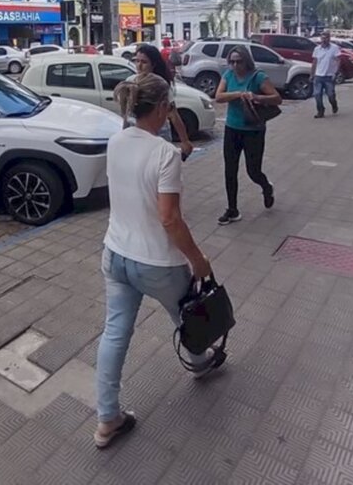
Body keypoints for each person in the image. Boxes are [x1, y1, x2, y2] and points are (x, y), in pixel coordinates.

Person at [94, 73, 222, 449]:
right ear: (165, 108)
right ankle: (200, 363)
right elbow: (169, 218)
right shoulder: (165, 154)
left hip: (115, 254)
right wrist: (198, 259)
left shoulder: (116, 141)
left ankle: (107, 420)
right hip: (157, 263)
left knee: (114, 333)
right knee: (188, 315)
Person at [214, 45, 281, 225]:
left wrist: (257, 97)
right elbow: (218, 97)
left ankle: (266, 187)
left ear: (246, 61)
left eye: (239, 61)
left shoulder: (258, 77)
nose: (235, 65)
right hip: (232, 128)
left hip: (253, 131)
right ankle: (232, 209)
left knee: (253, 171)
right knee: (230, 170)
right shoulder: (228, 76)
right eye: (232, 62)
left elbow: (277, 98)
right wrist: (237, 94)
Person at [131, 44, 193, 158]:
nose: (139, 66)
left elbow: (173, 115)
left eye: (144, 62)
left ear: (153, 64)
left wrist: (185, 141)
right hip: (136, 135)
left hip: (158, 134)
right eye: (137, 61)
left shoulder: (161, 86)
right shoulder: (131, 82)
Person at [311, 30, 342, 119]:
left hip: (329, 76)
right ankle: (320, 111)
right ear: (321, 39)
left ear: (329, 38)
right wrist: (312, 74)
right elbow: (315, 62)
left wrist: (336, 72)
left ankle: (334, 104)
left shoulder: (334, 48)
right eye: (323, 38)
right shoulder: (317, 49)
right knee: (317, 94)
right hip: (318, 76)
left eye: (326, 38)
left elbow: (338, 60)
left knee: (330, 95)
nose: (324, 40)